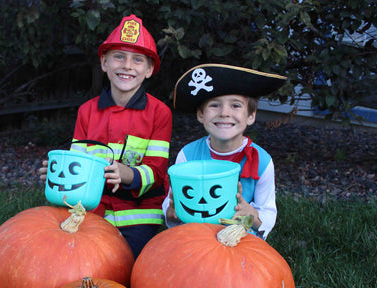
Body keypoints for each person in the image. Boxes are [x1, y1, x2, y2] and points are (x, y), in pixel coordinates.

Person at [40, 15, 172, 258]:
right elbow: (77, 166)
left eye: (138, 59)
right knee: (68, 258)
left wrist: (126, 173)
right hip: (93, 210)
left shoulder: (159, 113)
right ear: (104, 63)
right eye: (118, 56)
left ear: (149, 69)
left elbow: (156, 171)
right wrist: (60, 174)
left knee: (129, 266)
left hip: (138, 214)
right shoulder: (87, 111)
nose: (127, 66)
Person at [163, 64, 286, 240]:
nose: (224, 113)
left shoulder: (263, 161)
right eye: (214, 105)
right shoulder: (187, 155)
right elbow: (172, 199)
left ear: (250, 116)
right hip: (194, 235)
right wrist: (171, 211)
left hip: (239, 236)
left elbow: (267, 210)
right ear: (201, 114)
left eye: (235, 105)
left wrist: (253, 215)